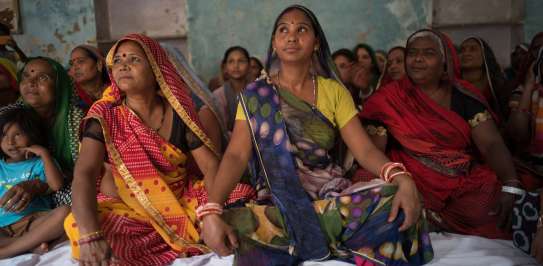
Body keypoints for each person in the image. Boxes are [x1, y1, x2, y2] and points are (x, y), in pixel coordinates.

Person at [201, 5, 433, 266]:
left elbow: (365, 150)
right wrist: (212, 209)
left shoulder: (334, 91)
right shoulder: (256, 95)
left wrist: (401, 176)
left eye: (301, 29)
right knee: (236, 221)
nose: (292, 36)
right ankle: (330, 233)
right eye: (283, 30)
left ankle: (301, 237)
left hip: (329, 194)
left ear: (315, 43)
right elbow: (235, 154)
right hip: (279, 202)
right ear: (275, 44)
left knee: (394, 197)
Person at [65, 34, 254, 266]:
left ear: (156, 69)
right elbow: (84, 174)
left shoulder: (179, 113)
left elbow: (211, 166)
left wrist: (213, 211)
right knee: (76, 224)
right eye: (119, 60)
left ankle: (181, 239)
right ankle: (181, 241)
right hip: (133, 211)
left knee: (240, 194)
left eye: (134, 59)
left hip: (183, 200)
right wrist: (90, 236)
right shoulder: (104, 116)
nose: (124, 65)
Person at [358, 29, 521, 239]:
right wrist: (396, 181)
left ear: (446, 61)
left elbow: (490, 144)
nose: (417, 59)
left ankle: (429, 220)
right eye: (413, 53)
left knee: (489, 208)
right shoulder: (387, 99)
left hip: (459, 183)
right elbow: (373, 150)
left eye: (428, 53)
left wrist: (511, 183)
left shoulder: (463, 96)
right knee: (367, 184)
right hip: (408, 179)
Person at [0, 107, 69, 258]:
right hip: (2, 225)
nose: (10, 142)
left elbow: (57, 185)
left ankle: (9, 250)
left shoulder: (40, 163)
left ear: (32, 135)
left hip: (34, 221)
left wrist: (44, 154)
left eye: (17, 134)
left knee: (65, 212)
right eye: (4, 136)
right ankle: (29, 245)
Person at [16, 57, 85, 206]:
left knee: (83, 194)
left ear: (59, 86)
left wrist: (42, 184)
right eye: (26, 76)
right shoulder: (11, 117)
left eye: (42, 77)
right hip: (16, 186)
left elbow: (84, 170)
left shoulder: (78, 120)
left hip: (64, 186)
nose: (31, 82)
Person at [460, 37, 509, 120]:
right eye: (462, 50)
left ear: (485, 56)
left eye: (473, 49)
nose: (466, 53)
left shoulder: (497, 87)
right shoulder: (453, 87)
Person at [212, 46, 251, 135]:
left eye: (241, 61)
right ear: (225, 67)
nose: (236, 66)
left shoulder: (258, 92)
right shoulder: (218, 95)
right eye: (231, 61)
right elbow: (220, 128)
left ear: (249, 65)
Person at [69, 45, 110, 110]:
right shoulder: (70, 96)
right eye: (71, 64)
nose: (75, 67)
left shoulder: (115, 92)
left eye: (81, 61)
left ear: (99, 64)